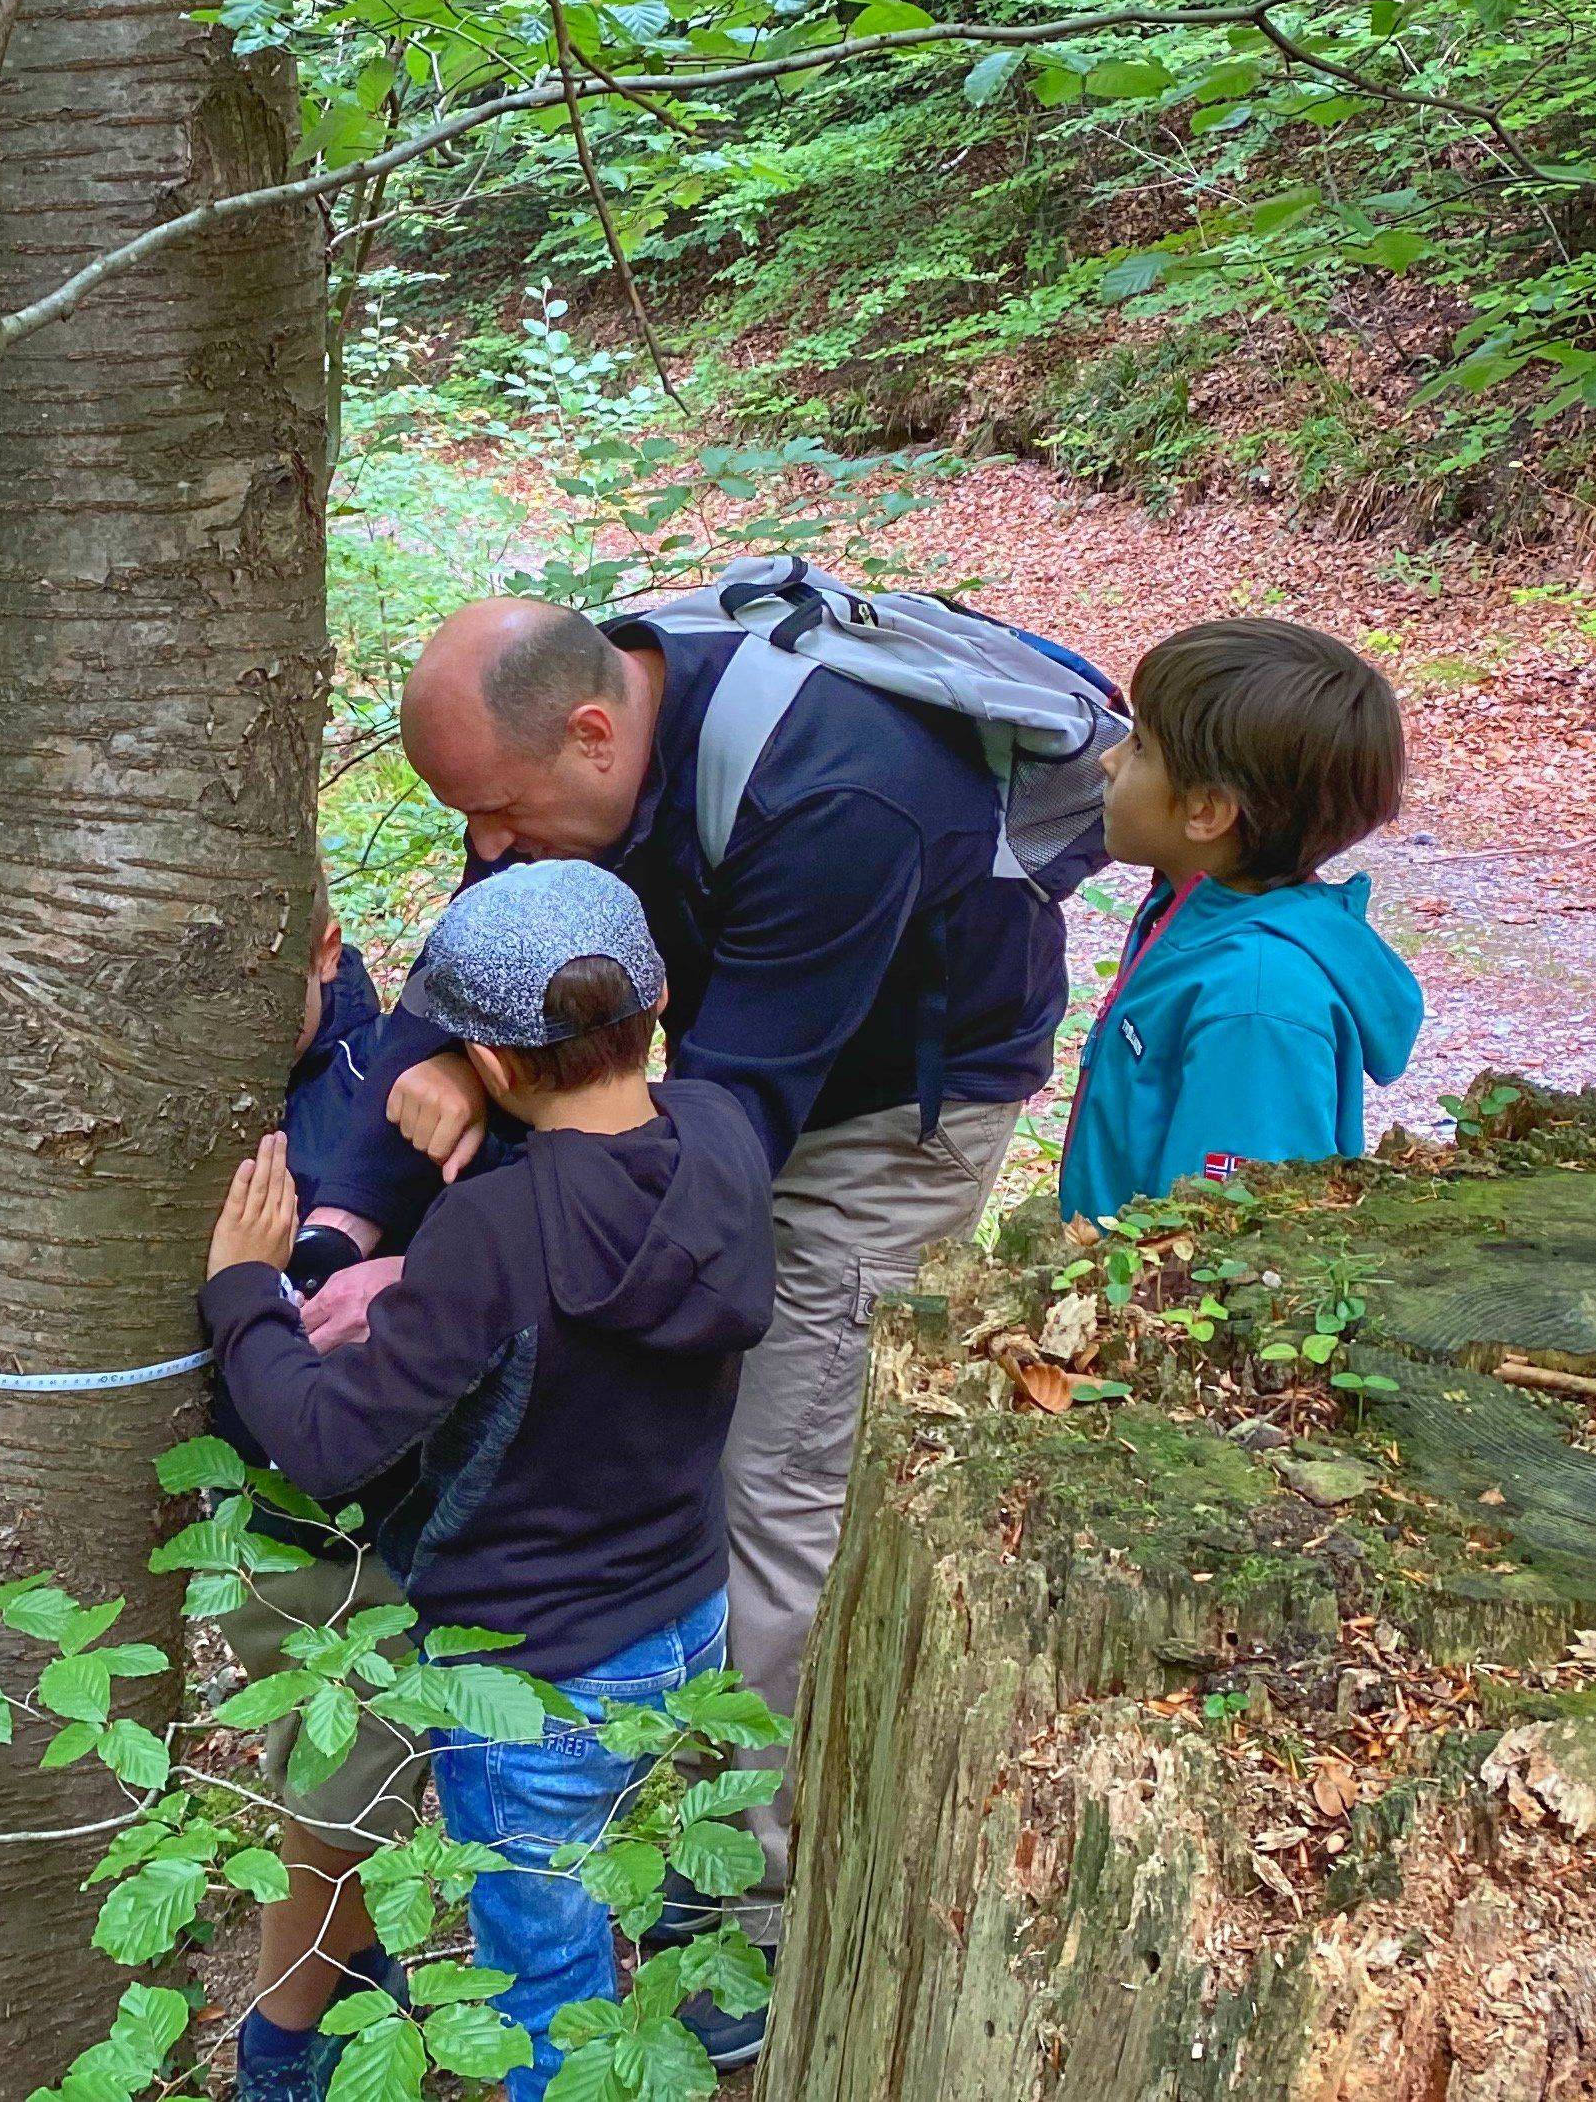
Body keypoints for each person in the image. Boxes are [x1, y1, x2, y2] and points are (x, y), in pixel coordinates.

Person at [355, 592, 1077, 2047]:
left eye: (495, 816)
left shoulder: (840, 794)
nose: (481, 849)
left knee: (771, 1481)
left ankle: (745, 1915)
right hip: (738, 1071)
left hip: (887, 1108)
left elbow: (735, 1117)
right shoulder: (567, 741)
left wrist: (514, 1158)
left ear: (594, 733)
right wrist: (404, 1117)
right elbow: (501, 943)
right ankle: (660, 1791)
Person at [203, 861, 775, 2102]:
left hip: (533, 1669)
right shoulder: (726, 1133)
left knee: (541, 1968)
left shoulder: (492, 1234)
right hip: (684, 1616)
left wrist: (247, 1290)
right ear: (661, 998)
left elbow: (328, 1442)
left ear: (494, 1068)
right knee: (610, 1875)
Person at [215, 900, 434, 2102]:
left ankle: (284, 2034)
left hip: (362, 1533)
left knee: (340, 1800)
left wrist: (274, 1280)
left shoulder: (393, 1090)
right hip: (253, 1524)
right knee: (332, 1780)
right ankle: (349, 1992)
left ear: (324, 949)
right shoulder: (203, 1083)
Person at [1057, 618, 1422, 1224]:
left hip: (1161, 1308)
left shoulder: (1255, 999)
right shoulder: (1195, 916)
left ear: (1206, 811)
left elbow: (1230, 1236)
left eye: (1141, 746)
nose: (1108, 761)